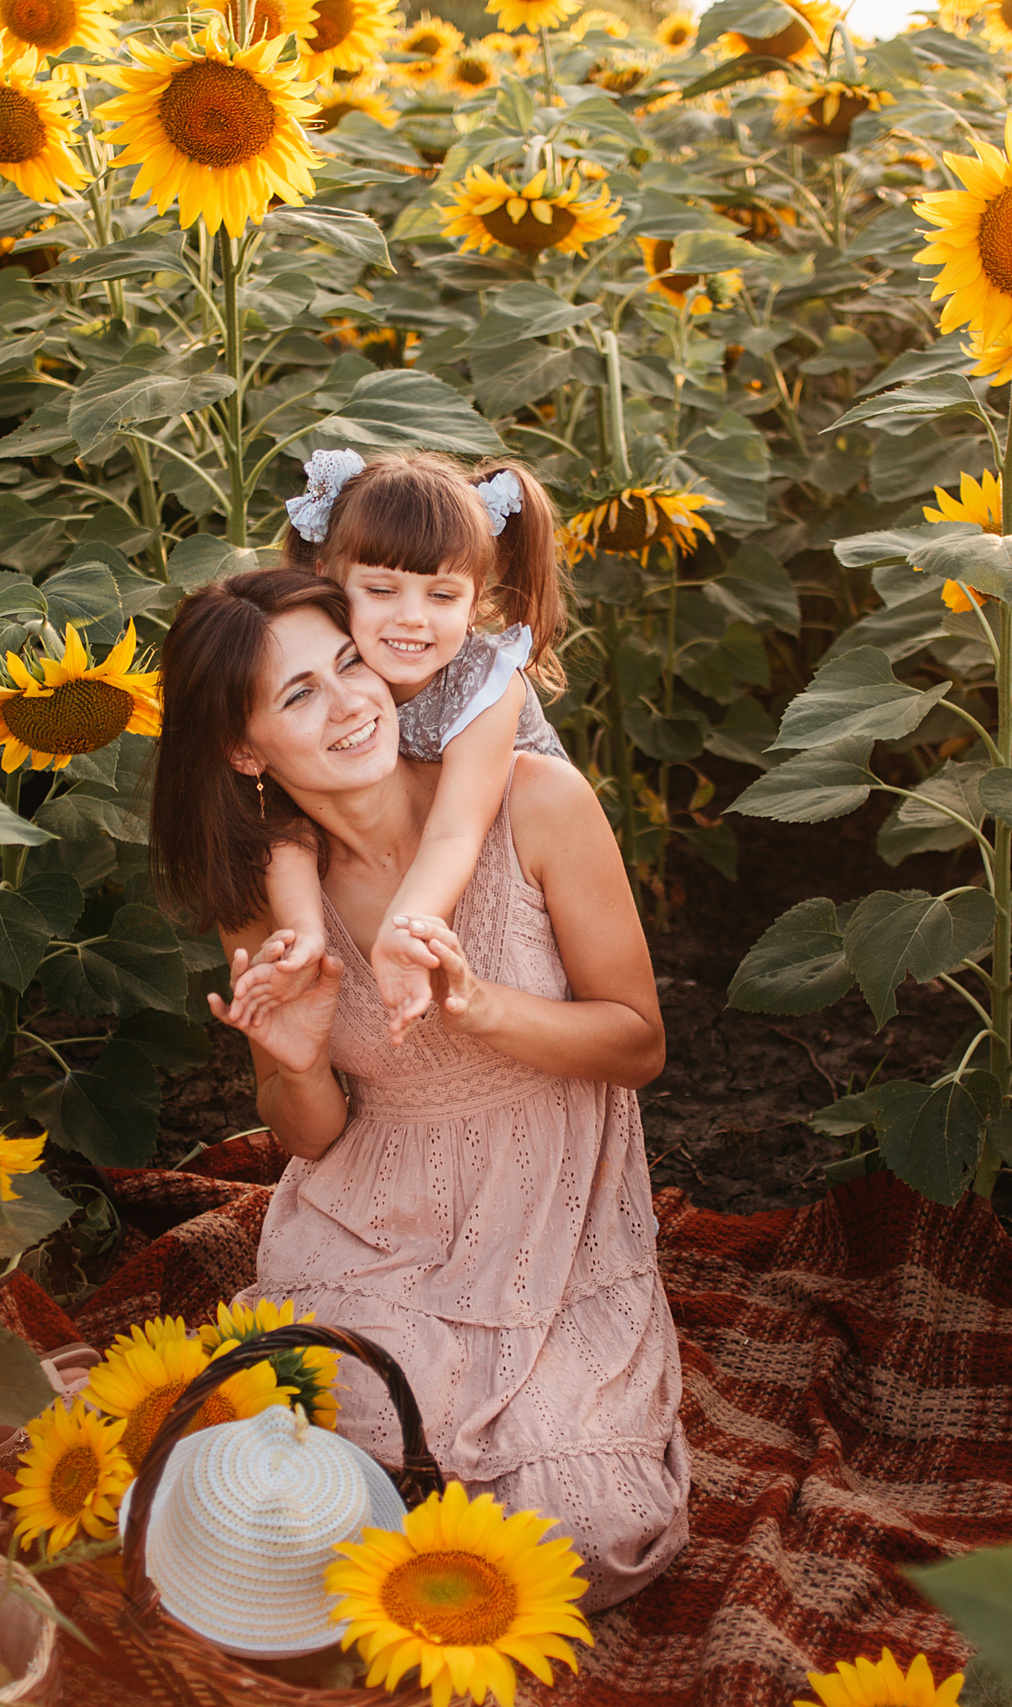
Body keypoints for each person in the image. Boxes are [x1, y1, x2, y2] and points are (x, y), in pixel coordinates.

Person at [148, 566, 689, 1613]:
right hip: (373, 1225)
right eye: (299, 693)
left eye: (350, 662)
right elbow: (308, 1136)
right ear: (244, 749)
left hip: (551, 1218)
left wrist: (478, 1005)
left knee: (587, 1537)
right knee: (289, 1506)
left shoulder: (535, 803)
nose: (349, 701)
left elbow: (637, 1045)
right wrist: (300, 1058)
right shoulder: (265, 895)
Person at [264, 448, 570, 1042]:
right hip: (416, 852)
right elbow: (283, 819)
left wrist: (407, 924)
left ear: (477, 598)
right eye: (381, 589)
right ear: (327, 577)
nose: (411, 618)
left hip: (519, 860)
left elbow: (458, 828)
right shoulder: (335, 669)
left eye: (442, 596)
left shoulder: (486, 682)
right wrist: (304, 933)